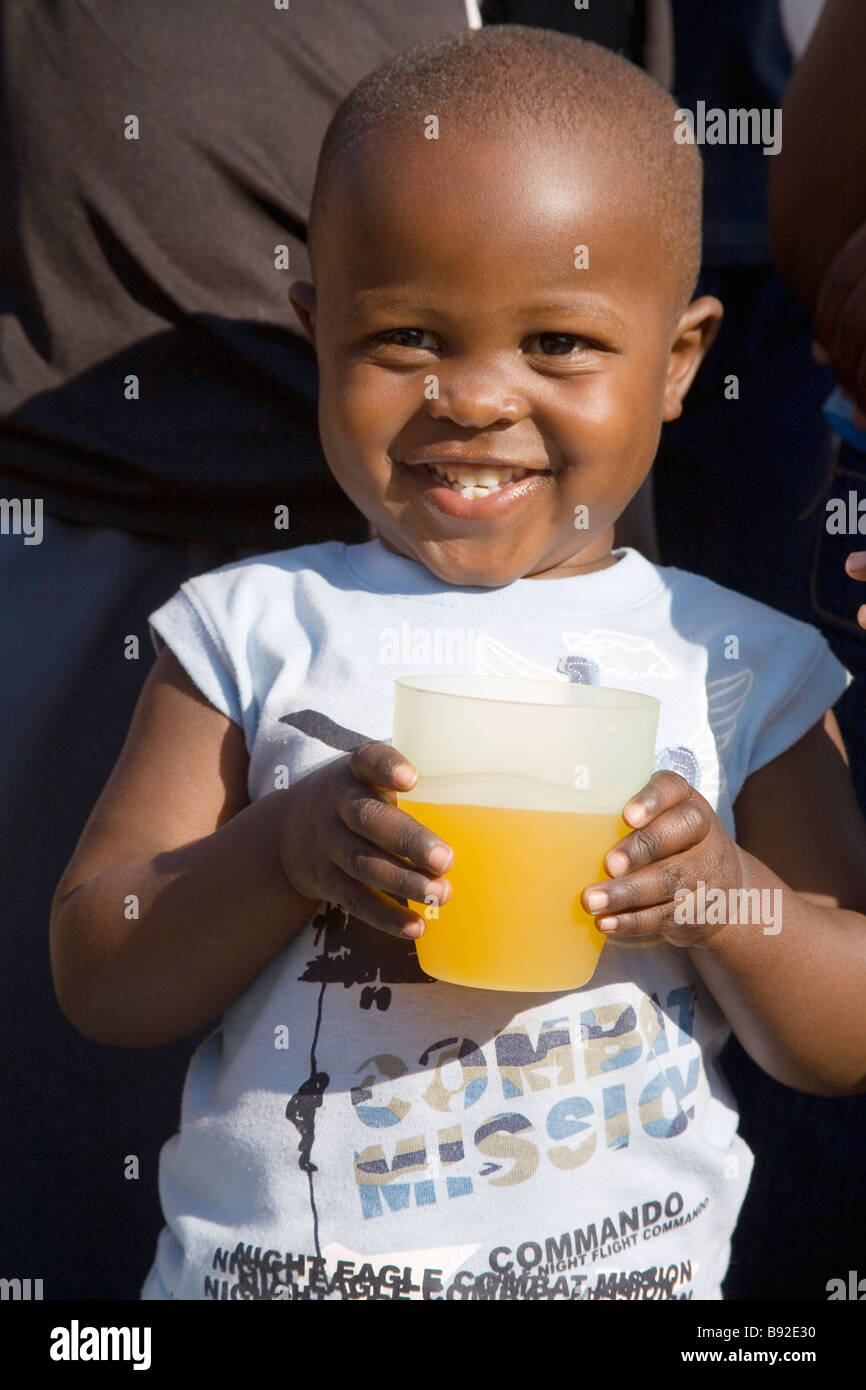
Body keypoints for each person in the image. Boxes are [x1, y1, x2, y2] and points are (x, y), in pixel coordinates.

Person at [49, 26, 866, 1302]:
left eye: (557, 345)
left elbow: (845, 1026)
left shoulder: (737, 662)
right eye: (409, 338)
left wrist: (719, 899)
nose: (474, 398)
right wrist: (281, 849)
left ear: (677, 363)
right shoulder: (249, 629)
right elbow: (103, 963)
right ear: (317, 334)